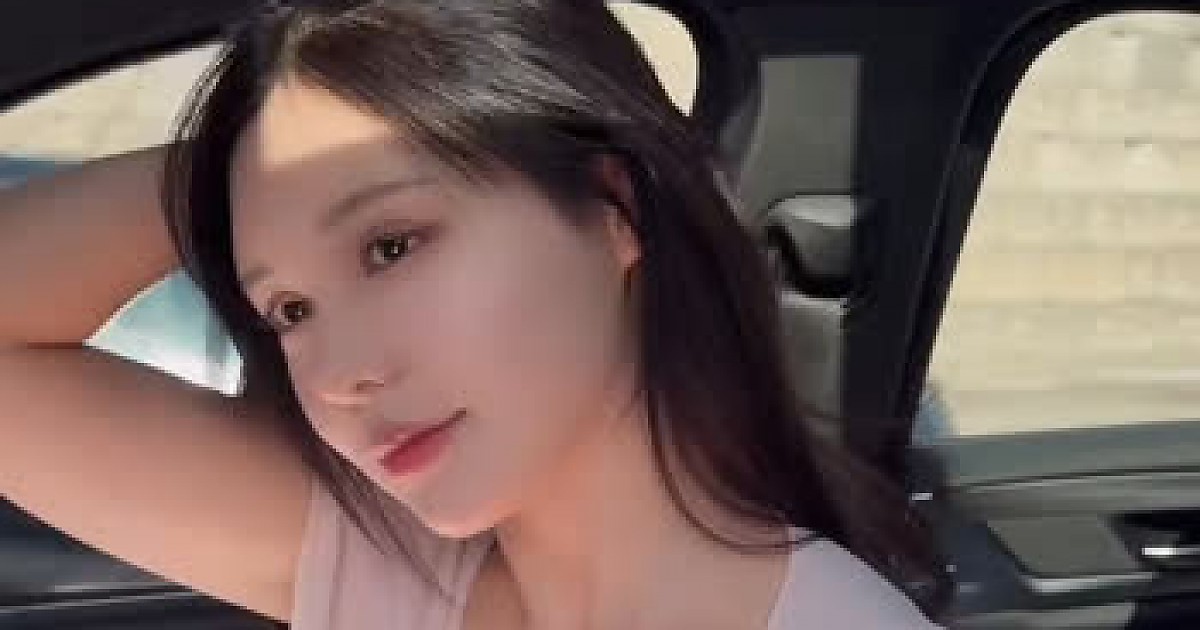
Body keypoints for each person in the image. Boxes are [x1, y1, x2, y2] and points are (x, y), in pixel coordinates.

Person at [0, 0, 953, 627]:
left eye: (391, 246)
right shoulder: (382, 575)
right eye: (289, 309)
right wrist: (233, 177)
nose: (341, 374)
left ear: (614, 209)